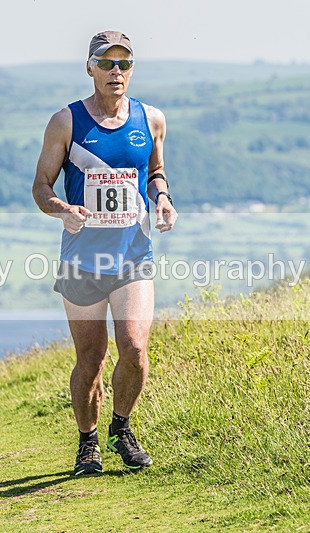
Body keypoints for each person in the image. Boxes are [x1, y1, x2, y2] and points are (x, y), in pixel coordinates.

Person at [32, 31, 177, 475]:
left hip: (134, 256)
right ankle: (87, 442)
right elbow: (41, 186)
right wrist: (61, 209)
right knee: (91, 359)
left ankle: (122, 427)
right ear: (89, 68)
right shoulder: (66, 122)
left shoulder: (151, 119)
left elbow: (155, 171)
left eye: (124, 63)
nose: (116, 71)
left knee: (134, 348)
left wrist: (163, 198)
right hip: (83, 260)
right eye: (106, 63)